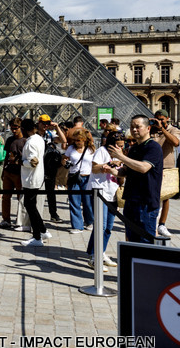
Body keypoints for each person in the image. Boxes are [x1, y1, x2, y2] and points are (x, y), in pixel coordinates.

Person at [109, 115, 163, 244]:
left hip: (146, 202)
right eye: (132, 127)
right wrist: (112, 171)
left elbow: (144, 168)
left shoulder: (153, 147)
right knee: (132, 240)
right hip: (131, 200)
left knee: (145, 242)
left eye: (138, 126)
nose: (134, 130)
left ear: (148, 128)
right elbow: (127, 171)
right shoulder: (134, 148)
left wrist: (121, 157)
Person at [87, 131, 125, 270]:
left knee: (108, 227)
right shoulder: (101, 151)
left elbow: (121, 176)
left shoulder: (121, 154)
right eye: (118, 146)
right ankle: (94, 256)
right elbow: (94, 168)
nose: (120, 148)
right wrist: (109, 163)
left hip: (112, 193)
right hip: (100, 191)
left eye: (122, 146)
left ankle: (100, 252)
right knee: (100, 226)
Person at [20, 119, 51, 246]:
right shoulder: (39, 138)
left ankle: (37, 236)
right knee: (30, 205)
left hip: (30, 178)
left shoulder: (31, 142)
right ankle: (42, 230)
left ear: (25, 129)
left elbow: (34, 162)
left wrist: (21, 162)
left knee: (30, 206)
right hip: (37, 177)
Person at [150, 109, 179, 238]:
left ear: (167, 119)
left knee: (165, 196)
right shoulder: (151, 130)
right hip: (150, 166)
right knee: (151, 195)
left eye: (162, 119)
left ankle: (162, 224)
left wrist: (163, 130)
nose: (159, 121)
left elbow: (175, 142)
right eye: (157, 119)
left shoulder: (173, 129)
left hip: (166, 166)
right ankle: (151, 221)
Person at [64, 128, 95, 233]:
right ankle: (77, 226)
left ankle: (89, 221)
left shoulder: (91, 149)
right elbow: (64, 158)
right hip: (74, 177)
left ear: (84, 140)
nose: (77, 142)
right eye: (75, 140)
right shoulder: (71, 148)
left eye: (79, 140)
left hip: (87, 177)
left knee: (88, 202)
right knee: (74, 201)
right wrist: (65, 162)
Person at [0, 118, 24, 229]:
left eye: (16, 128)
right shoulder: (9, 140)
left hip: (19, 173)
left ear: (20, 127)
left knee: (20, 198)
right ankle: (6, 219)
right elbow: (7, 155)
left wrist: (17, 160)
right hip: (9, 171)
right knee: (5, 197)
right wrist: (4, 170)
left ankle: (20, 220)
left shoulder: (25, 141)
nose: (13, 130)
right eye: (12, 128)